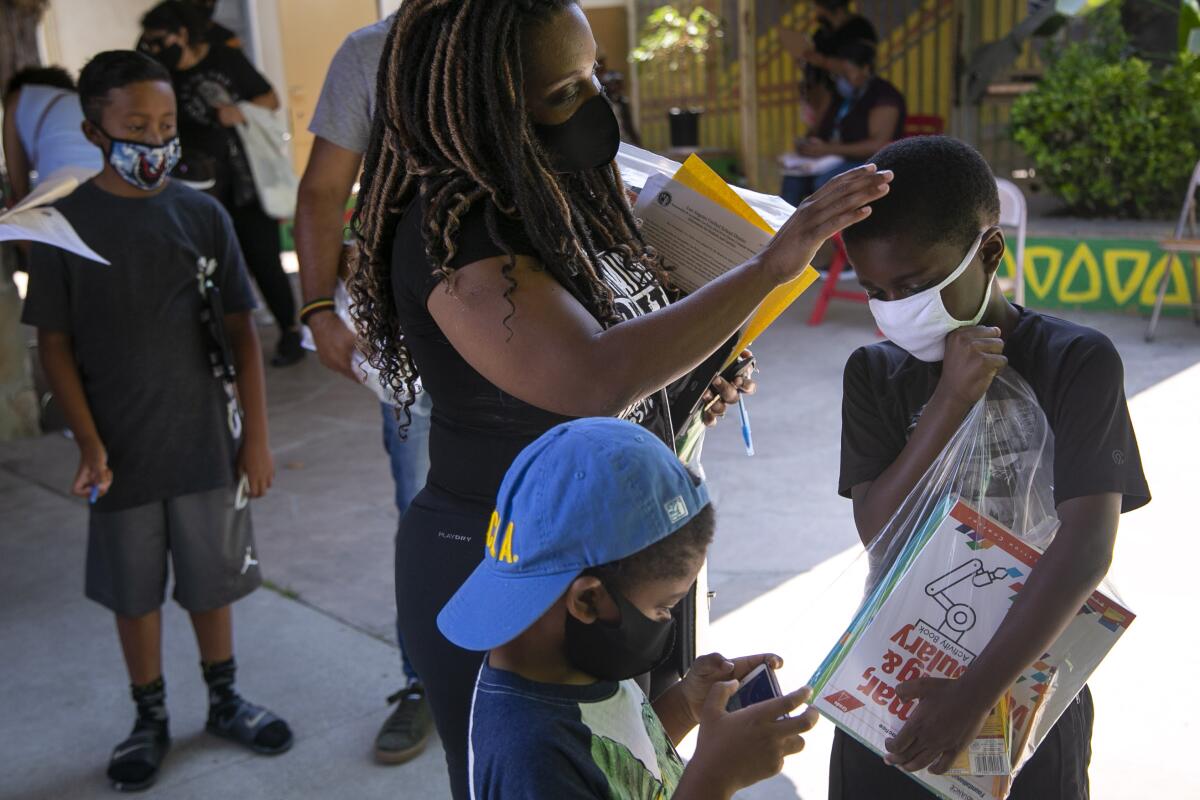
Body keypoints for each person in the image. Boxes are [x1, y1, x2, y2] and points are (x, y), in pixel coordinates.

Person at [350, 2, 891, 797]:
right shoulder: (454, 230)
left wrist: (687, 384)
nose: (595, 101)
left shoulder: (557, 195)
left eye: (593, 73)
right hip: (510, 567)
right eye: (565, 88)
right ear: (486, 99)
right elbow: (593, 377)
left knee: (633, 765)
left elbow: (627, 360)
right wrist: (772, 267)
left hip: (613, 556)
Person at [834, 136, 1150, 798]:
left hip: (1027, 684)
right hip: (894, 681)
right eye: (877, 290)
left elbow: (1087, 542)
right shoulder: (875, 373)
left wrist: (975, 695)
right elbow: (882, 536)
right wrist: (950, 398)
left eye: (915, 284)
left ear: (989, 251)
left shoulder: (1075, 362)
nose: (895, 306)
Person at [20, 50, 292, 792]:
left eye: (166, 123)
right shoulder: (61, 227)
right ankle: (149, 717)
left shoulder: (202, 214)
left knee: (211, 583)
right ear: (93, 129)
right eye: (136, 124)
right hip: (120, 455)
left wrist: (256, 439)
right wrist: (89, 442)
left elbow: (242, 330)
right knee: (133, 592)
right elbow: (55, 345)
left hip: (207, 443)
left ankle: (225, 700)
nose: (155, 137)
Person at [438, 417, 821, 799]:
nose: (666, 620)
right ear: (587, 599)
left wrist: (686, 704)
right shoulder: (531, 760)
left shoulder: (571, 656)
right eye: (663, 607)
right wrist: (715, 779)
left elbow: (615, 766)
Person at [294, 12, 434, 764]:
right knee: (426, 516)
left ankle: (530, 680)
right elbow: (323, 190)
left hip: (536, 332)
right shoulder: (370, 53)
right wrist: (319, 307)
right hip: (414, 346)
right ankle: (427, 681)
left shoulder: (531, 29)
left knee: (544, 506)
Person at [139, 0, 304, 367]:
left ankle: (290, 331)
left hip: (243, 183)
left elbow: (270, 98)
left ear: (182, 34)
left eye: (159, 40)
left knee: (264, 260)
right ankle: (219, 342)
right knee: (206, 268)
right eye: (148, 42)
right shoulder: (158, 74)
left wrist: (239, 111)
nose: (153, 48)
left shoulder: (224, 58)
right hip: (191, 187)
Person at [784, 40, 905, 205]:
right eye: (838, 75)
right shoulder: (839, 95)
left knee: (825, 183)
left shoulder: (884, 96)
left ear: (866, 69)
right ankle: (785, 227)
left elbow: (878, 145)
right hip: (830, 159)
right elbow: (819, 129)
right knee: (792, 180)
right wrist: (809, 145)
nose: (842, 80)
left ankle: (828, 230)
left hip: (869, 162)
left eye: (847, 74)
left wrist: (828, 149)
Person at [2, 66, 102, 203]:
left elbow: (18, 193)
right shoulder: (84, 103)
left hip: (67, 194)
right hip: (115, 186)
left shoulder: (17, 98)